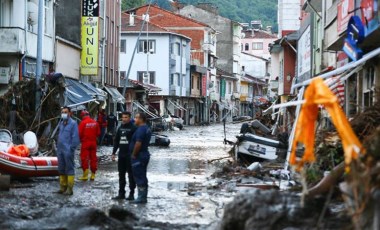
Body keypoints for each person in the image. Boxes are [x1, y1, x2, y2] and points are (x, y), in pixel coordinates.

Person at [112, 112, 137, 200]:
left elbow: (137, 142)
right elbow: (116, 141)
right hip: (121, 155)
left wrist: (135, 154)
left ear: (129, 118)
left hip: (130, 155)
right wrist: (113, 153)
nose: (124, 119)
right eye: (123, 117)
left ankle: (132, 193)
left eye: (126, 117)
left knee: (131, 175)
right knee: (121, 175)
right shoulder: (120, 127)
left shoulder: (134, 128)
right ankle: (121, 193)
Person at [56, 106, 80, 195]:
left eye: (66, 112)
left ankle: (70, 189)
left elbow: (75, 139)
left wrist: (71, 149)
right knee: (61, 168)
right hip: (60, 150)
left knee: (69, 168)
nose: (64, 114)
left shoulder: (73, 124)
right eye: (62, 112)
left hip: (68, 150)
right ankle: (63, 187)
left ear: (70, 113)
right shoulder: (61, 123)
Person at [130, 112, 152, 203]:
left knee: (139, 175)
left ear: (141, 119)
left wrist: (134, 154)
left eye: (136, 118)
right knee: (142, 175)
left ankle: (141, 197)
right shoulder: (146, 128)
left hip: (139, 156)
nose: (134, 119)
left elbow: (138, 143)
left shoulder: (141, 130)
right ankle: (143, 196)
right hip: (144, 154)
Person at [78, 110, 100, 181]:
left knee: (84, 158)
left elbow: (79, 134)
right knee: (93, 158)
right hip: (93, 143)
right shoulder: (95, 122)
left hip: (85, 143)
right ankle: (93, 175)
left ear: (82, 116)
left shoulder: (83, 123)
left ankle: (85, 175)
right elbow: (98, 133)